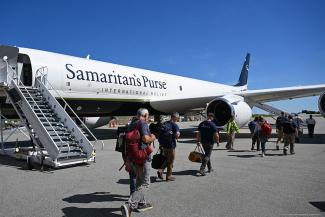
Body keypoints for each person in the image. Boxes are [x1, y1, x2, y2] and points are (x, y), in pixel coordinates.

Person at [121, 108, 156, 217]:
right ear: (145, 115)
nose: (148, 117)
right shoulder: (143, 123)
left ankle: (142, 203)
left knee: (139, 182)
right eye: (148, 115)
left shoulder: (131, 124)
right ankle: (129, 205)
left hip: (133, 157)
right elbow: (146, 139)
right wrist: (153, 136)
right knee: (145, 183)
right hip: (143, 157)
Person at [157, 112, 180, 181]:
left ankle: (161, 171)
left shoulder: (165, 123)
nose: (178, 119)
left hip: (164, 145)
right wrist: (177, 135)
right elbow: (177, 135)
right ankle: (168, 176)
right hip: (171, 145)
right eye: (178, 118)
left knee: (167, 159)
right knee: (170, 161)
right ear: (175, 117)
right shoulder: (174, 125)